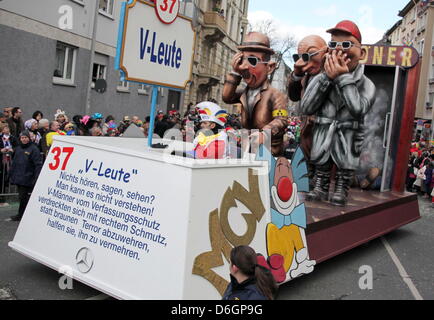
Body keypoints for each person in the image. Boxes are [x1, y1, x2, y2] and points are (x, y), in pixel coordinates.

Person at [300, 20, 376, 206]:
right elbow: (307, 107)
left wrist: (343, 78)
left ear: (362, 52)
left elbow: (358, 109)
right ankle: (320, 188)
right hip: (324, 131)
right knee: (321, 165)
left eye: (347, 44)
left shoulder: (367, 84)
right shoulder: (320, 78)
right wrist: (326, 77)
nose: (339, 50)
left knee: (344, 168)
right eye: (333, 44)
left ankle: (341, 189)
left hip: (348, 134)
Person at [222, 32, 289, 156]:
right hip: (248, 150)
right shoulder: (245, 93)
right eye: (242, 60)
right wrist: (234, 73)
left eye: (252, 60)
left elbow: (281, 119)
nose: (244, 67)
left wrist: (265, 134)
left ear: (270, 67)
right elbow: (227, 97)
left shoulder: (275, 95)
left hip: (269, 154)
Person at [8, 130, 43, 221]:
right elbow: (14, 163)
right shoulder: (18, 148)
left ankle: (22, 215)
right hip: (19, 176)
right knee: (22, 197)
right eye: (22, 138)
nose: (24, 139)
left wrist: (36, 177)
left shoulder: (34, 149)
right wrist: (11, 174)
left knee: (24, 197)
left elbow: (38, 164)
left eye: (25, 137)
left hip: (28, 177)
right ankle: (22, 214)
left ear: (29, 138)